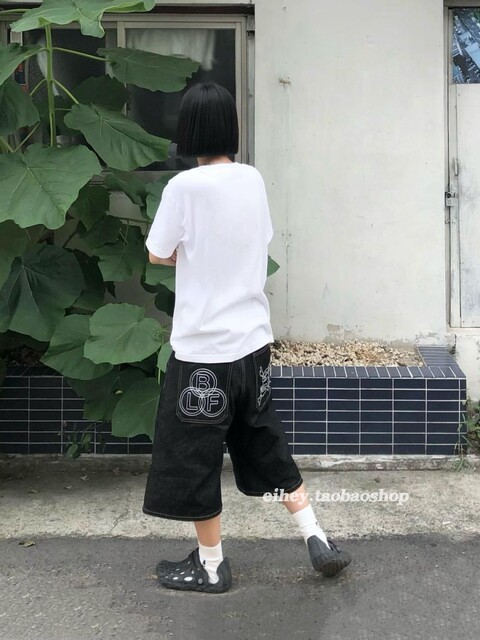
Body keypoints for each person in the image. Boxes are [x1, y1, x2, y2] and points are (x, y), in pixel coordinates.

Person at [142, 82, 351, 593]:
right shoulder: (252, 179)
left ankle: (212, 565)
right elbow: (259, 240)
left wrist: (189, 253)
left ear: (187, 131)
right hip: (252, 346)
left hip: (202, 353)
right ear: (231, 129)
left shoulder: (183, 188)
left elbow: (157, 252)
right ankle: (316, 536)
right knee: (263, 440)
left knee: (194, 458)